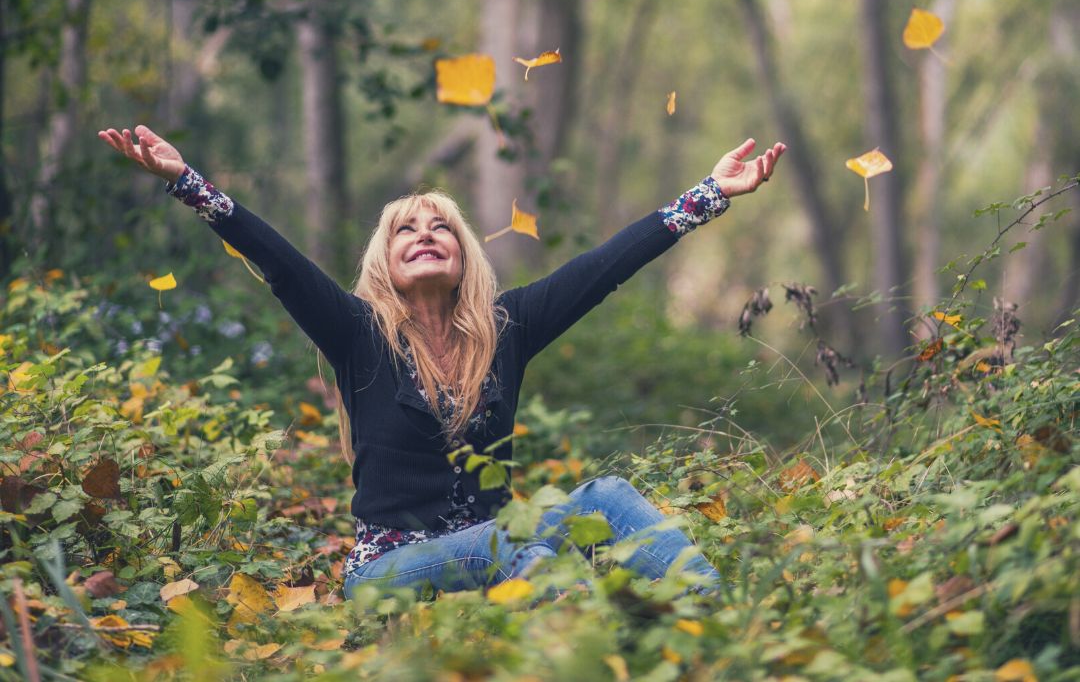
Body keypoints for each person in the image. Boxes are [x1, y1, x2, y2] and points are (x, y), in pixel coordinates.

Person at [98, 124, 785, 600]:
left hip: (500, 543)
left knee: (601, 500)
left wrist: (711, 193)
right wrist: (186, 181)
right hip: (390, 569)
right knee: (520, 549)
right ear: (384, 262)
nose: (425, 234)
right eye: (406, 229)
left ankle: (713, 622)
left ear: (463, 258)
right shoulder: (358, 332)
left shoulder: (506, 329)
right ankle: (586, 637)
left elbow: (605, 266)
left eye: (441, 228)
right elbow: (277, 262)